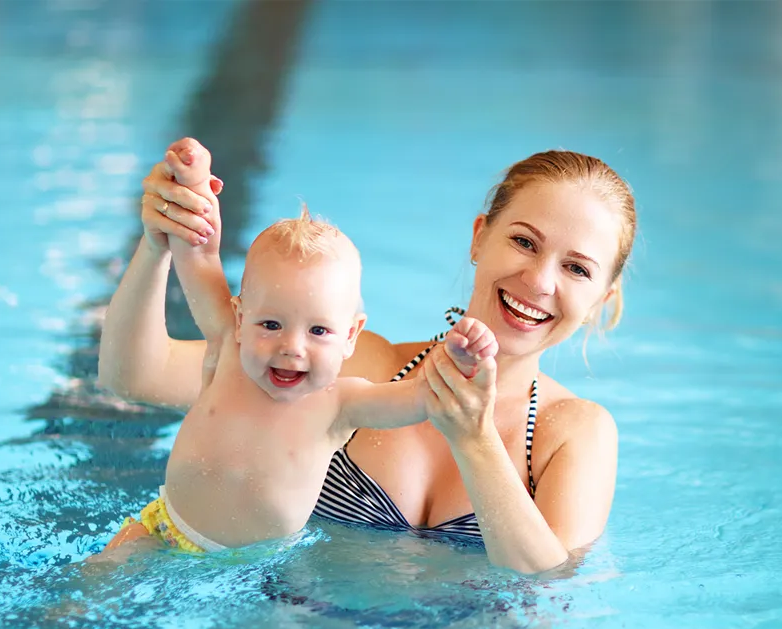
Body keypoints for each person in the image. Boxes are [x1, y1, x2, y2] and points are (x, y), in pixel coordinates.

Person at [115, 139, 635, 574]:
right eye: (524, 242)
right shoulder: (340, 361)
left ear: (601, 302)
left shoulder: (574, 433)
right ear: (480, 239)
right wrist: (159, 241)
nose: (540, 281)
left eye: (578, 269)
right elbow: (137, 376)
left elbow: (552, 597)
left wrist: (473, 440)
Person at [95, 140, 498, 558]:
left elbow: (420, 398)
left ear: (351, 336)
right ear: (238, 318)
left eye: (318, 331)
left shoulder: (341, 404)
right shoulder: (229, 350)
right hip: (163, 530)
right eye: (270, 324)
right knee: (89, 592)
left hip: (255, 570)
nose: (291, 348)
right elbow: (198, 252)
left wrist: (463, 361)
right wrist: (193, 181)